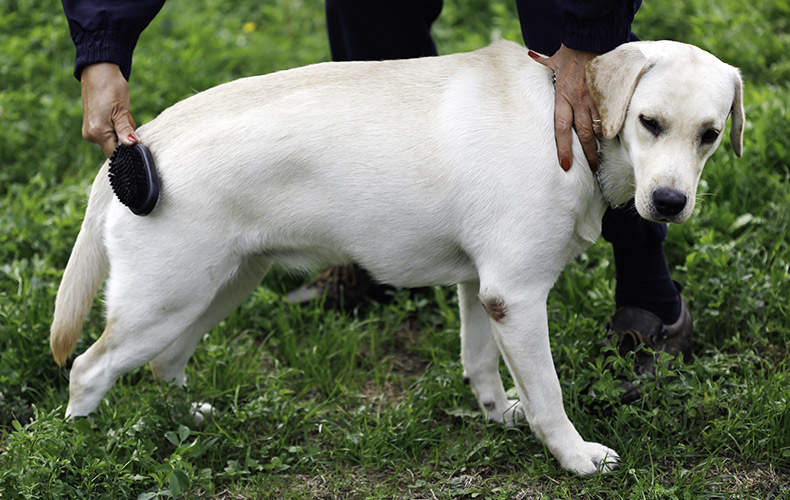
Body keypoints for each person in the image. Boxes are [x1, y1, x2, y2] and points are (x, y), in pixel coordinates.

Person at [61, 0, 692, 403]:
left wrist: (584, 31)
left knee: (585, 98)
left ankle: (646, 291)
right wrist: (102, 45)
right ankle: (90, 393)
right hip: (206, 181)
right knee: (374, 31)